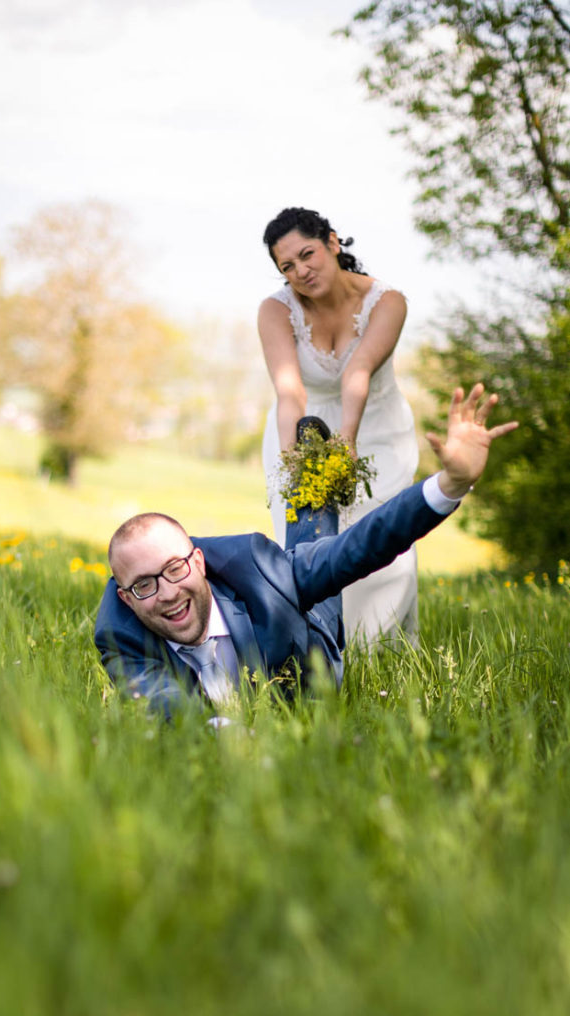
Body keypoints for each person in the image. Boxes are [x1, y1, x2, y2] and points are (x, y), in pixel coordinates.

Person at [95, 385, 517, 720]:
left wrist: (450, 485)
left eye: (174, 570)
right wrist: (216, 731)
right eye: (145, 585)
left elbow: (362, 546)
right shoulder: (120, 634)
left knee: (316, 536)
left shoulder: (259, 570)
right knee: (307, 546)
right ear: (125, 598)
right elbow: (160, 699)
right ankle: (313, 475)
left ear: (199, 563)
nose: (167, 593)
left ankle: (314, 473)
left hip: (307, 629)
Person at [259, 206, 419, 645]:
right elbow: (290, 391)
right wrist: (297, 461)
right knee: (312, 549)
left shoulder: (388, 302)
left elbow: (358, 371)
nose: (301, 271)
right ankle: (321, 650)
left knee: (385, 547)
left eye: (307, 254)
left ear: (332, 242)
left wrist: (346, 443)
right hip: (299, 430)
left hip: (376, 431)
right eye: (287, 266)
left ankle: (374, 653)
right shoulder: (275, 311)